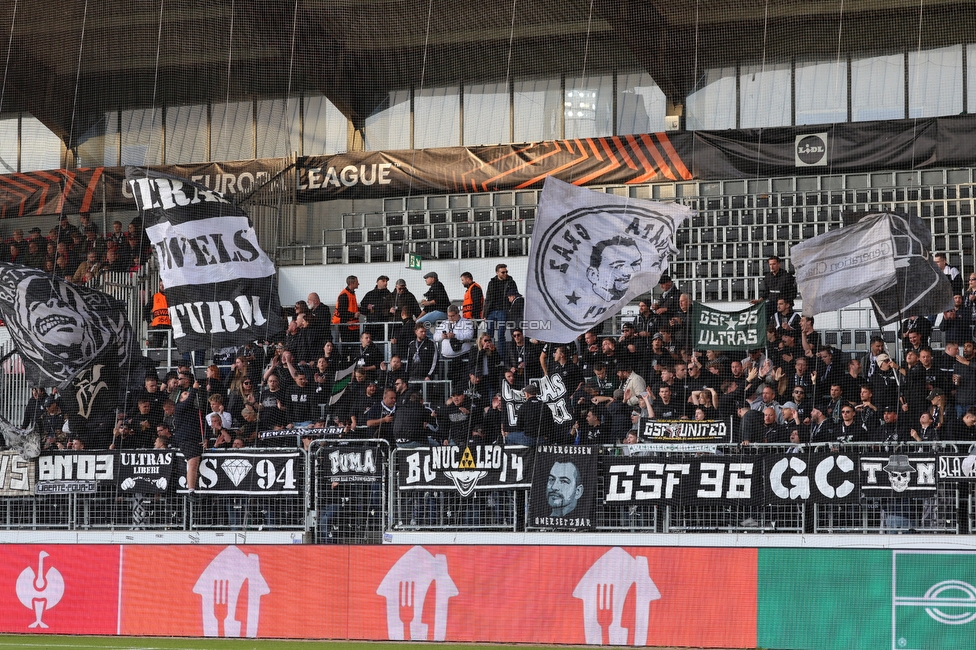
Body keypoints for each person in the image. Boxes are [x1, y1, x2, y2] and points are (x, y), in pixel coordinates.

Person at [434, 305, 475, 389]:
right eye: (449, 316)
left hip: (461, 357)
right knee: (446, 382)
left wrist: (455, 335)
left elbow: (470, 335)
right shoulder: (444, 323)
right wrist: (442, 336)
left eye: (452, 316)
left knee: (460, 381)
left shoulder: (466, 322)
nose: (450, 318)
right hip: (446, 358)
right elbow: (435, 337)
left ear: (457, 314)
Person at [483, 264, 517, 355]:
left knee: (500, 334)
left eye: (506, 272)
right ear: (497, 272)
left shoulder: (510, 282)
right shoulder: (492, 282)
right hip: (492, 311)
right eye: (503, 272)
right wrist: (485, 314)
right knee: (489, 335)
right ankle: (490, 355)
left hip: (503, 310)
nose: (505, 273)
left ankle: (501, 357)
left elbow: (515, 296)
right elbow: (488, 299)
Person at [361, 275, 392, 341]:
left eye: (386, 281)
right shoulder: (370, 294)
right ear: (377, 282)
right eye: (383, 281)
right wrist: (367, 308)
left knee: (382, 346)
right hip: (371, 325)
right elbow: (362, 308)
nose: (385, 283)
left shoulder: (389, 295)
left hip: (383, 326)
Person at [332, 275, 362, 344]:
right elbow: (341, 312)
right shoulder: (344, 295)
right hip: (347, 327)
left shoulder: (351, 294)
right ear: (351, 283)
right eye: (357, 282)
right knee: (347, 347)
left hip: (353, 326)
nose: (358, 283)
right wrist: (353, 315)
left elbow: (354, 308)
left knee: (354, 346)